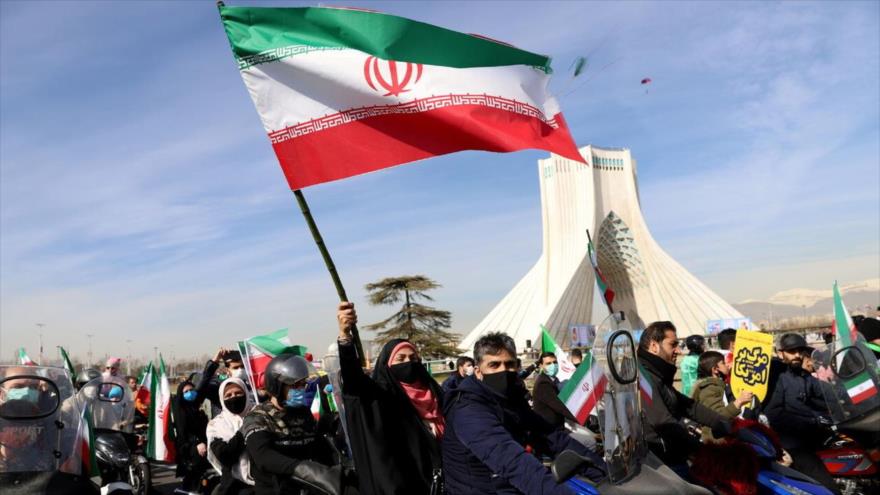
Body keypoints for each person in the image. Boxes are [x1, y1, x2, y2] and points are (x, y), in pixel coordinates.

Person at [442, 332, 606, 495]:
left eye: (509, 364)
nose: (503, 371)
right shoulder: (468, 409)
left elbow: (552, 438)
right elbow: (513, 462)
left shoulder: (511, 399)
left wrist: (604, 473)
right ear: (478, 372)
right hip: (479, 489)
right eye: (494, 365)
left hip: (506, 485)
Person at [336, 302, 443, 494]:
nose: (409, 363)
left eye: (414, 358)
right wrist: (345, 337)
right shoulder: (382, 396)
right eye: (400, 359)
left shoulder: (436, 395)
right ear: (386, 365)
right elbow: (354, 381)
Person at [241, 354, 342, 495]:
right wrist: (304, 469)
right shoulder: (258, 417)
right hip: (274, 490)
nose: (301, 389)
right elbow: (264, 457)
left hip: (307, 487)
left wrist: (336, 470)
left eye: (303, 384)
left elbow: (318, 446)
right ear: (277, 385)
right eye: (295, 385)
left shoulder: (304, 413)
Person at [638, 321, 730, 469]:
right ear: (654, 346)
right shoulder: (643, 377)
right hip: (659, 464)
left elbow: (688, 406)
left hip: (670, 456)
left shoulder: (656, 374)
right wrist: (704, 452)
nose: (678, 351)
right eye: (672, 345)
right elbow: (664, 423)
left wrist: (722, 422)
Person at [764, 333, 839, 493]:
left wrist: (847, 395)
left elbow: (824, 391)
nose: (797, 355)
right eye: (792, 351)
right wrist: (814, 419)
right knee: (829, 489)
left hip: (811, 435)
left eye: (800, 350)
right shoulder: (775, 377)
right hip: (790, 442)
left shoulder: (801, 375)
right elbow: (774, 413)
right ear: (780, 353)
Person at [207, 377, 255, 495]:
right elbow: (224, 455)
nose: (234, 397)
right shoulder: (216, 425)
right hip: (233, 485)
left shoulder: (259, 413)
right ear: (222, 400)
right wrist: (245, 428)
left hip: (264, 483)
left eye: (238, 393)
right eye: (228, 395)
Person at [691, 351, 753, 441]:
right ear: (715, 369)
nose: (727, 365)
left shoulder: (717, 385)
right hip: (718, 443)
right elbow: (716, 417)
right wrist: (738, 402)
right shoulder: (709, 389)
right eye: (723, 363)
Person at [172, 368, 213, 492]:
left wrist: (214, 363)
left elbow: (204, 382)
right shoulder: (180, 410)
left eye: (192, 390)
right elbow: (183, 433)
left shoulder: (194, 405)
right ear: (181, 394)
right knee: (196, 469)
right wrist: (196, 443)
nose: (190, 393)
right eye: (186, 391)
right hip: (188, 445)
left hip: (203, 442)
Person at [532, 352, 577, 429]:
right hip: (549, 430)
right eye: (548, 363)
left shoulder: (553, 379)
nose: (553, 365)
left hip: (557, 426)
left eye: (555, 362)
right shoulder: (543, 383)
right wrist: (579, 418)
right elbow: (559, 406)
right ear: (541, 366)